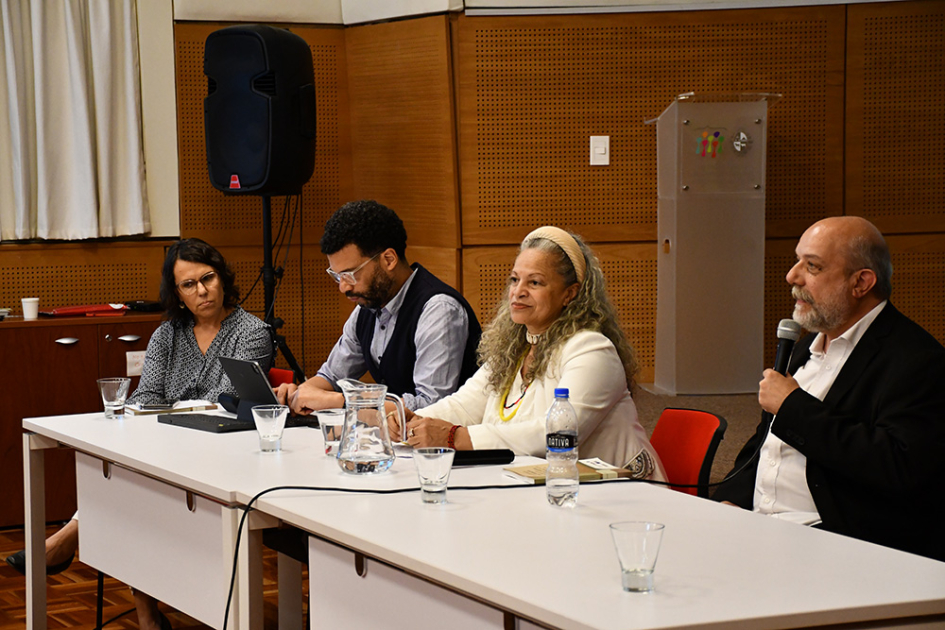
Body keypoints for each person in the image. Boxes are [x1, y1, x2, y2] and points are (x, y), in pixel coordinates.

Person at [5, 238, 272, 630]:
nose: (202, 291)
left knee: (133, 491)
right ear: (177, 294)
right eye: (189, 284)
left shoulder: (252, 331)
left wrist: (168, 410)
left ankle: (72, 539)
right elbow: (146, 395)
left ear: (222, 279)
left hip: (223, 453)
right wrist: (167, 413)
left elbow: (226, 403)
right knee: (135, 488)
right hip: (169, 446)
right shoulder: (168, 334)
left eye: (208, 278)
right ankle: (142, 607)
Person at [712, 217, 945, 562]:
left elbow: (897, 466)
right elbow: (762, 448)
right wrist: (729, 501)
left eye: (813, 266)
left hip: (836, 544)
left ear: (861, 282)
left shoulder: (916, 360)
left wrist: (793, 407)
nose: (792, 276)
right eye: (797, 261)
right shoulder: (806, 348)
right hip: (762, 529)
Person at [396, 226, 666, 479]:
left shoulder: (591, 350)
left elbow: (558, 434)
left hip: (619, 493)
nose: (518, 292)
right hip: (552, 488)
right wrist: (412, 421)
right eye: (515, 279)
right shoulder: (514, 348)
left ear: (569, 294)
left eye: (535, 283)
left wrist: (457, 437)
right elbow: (463, 406)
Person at [278, 200, 482, 413]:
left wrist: (339, 401)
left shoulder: (439, 310)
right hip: (397, 440)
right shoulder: (366, 308)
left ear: (389, 259)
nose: (343, 287)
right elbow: (332, 376)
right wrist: (299, 393)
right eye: (337, 276)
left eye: (350, 274)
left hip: (447, 443)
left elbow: (430, 406)